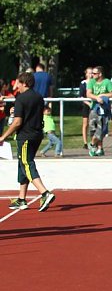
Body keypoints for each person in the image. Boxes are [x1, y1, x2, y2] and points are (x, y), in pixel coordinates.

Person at [1, 71, 55, 212]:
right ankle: (22, 198)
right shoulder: (38, 97)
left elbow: (18, 121)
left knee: (26, 164)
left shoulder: (21, 98)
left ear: (24, 83)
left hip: (26, 136)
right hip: (36, 134)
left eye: (18, 83)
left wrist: (3, 136)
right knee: (23, 164)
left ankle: (44, 192)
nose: (16, 85)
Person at [86, 66, 112, 156]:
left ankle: (91, 144)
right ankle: (99, 148)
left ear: (100, 74)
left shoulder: (107, 82)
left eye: (94, 73)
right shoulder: (91, 82)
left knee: (101, 129)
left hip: (104, 109)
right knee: (93, 129)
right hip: (94, 108)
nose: (92, 75)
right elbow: (88, 93)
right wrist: (97, 98)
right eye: (92, 73)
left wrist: (103, 95)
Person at [80, 67, 93, 151]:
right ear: (86, 74)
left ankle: (92, 141)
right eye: (89, 73)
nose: (91, 74)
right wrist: (88, 103)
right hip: (86, 104)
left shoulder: (95, 83)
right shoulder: (83, 83)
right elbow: (81, 96)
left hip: (93, 104)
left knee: (93, 123)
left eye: (92, 73)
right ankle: (85, 142)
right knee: (85, 123)